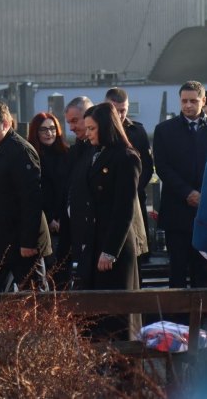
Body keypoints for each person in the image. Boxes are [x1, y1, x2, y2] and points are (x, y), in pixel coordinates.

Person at [78, 102, 143, 339]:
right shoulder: (95, 154)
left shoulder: (126, 157)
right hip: (94, 243)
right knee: (95, 318)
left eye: (92, 129)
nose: (88, 134)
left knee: (117, 319)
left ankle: (124, 372)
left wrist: (110, 251)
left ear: (106, 127)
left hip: (112, 248)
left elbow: (124, 209)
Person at [0, 102, 50, 292]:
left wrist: (28, 242)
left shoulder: (20, 151)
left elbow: (31, 199)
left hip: (22, 245)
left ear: (6, 124)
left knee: (35, 298)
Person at [154, 81, 207, 288]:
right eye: (184, 101)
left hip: (204, 214)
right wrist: (188, 193)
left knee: (202, 274)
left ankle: (202, 320)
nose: (188, 105)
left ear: (203, 101)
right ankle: (177, 319)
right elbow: (163, 167)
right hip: (177, 211)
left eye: (193, 101)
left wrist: (203, 196)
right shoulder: (165, 130)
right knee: (177, 272)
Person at [105, 87, 153, 259]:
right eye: (115, 110)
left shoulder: (137, 132)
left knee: (137, 252)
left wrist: (134, 188)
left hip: (135, 197)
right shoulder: (99, 131)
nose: (119, 115)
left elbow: (147, 166)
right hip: (108, 197)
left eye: (123, 110)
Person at [27, 112, 71, 286]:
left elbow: (69, 188)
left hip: (65, 220)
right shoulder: (31, 155)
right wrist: (50, 217)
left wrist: (62, 216)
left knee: (64, 273)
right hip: (44, 220)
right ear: (36, 132)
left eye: (52, 129)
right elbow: (35, 192)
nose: (49, 133)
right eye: (43, 129)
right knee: (49, 271)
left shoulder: (67, 154)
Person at [64, 96, 95, 268]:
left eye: (75, 121)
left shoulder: (103, 150)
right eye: (69, 122)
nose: (71, 127)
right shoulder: (76, 151)